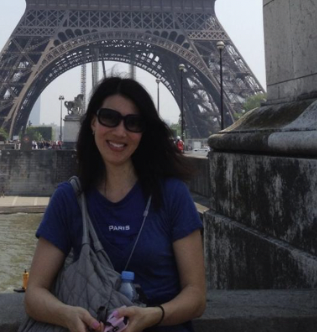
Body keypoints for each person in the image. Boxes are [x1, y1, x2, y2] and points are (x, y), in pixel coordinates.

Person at [25, 77, 206, 332]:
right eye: (110, 117)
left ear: (144, 132)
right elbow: (34, 294)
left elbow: (196, 296)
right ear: (93, 122)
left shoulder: (172, 195)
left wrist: (154, 315)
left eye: (133, 123)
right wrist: (67, 315)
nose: (120, 132)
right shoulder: (68, 199)